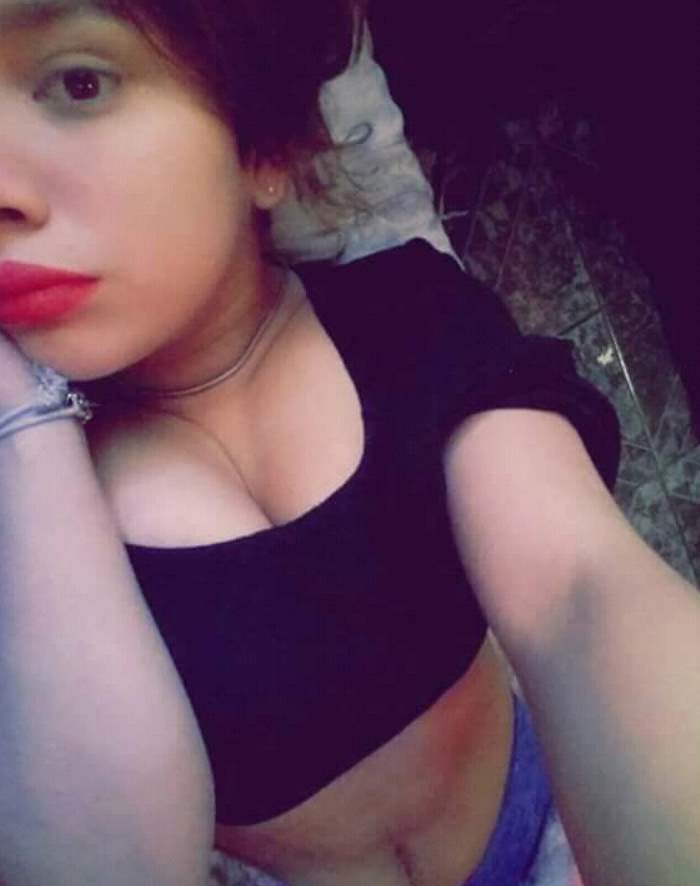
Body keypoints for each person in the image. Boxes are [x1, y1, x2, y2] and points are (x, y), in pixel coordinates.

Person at [0, 3, 698, 886]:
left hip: (550, 829)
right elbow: (113, 862)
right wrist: (20, 420)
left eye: (78, 82)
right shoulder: (29, 513)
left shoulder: (410, 324)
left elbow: (581, 592)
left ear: (262, 147)